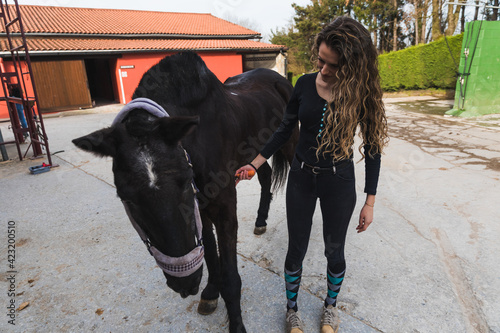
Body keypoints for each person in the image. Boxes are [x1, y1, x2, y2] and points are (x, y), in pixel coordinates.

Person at [235, 16, 388, 333]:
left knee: (335, 251)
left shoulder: (362, 93)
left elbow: (373, 147)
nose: (324, 70)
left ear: (351, 66)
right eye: (321, 60)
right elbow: (284, 129)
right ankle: (292, 311)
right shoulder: (304, 84)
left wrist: (369, 201)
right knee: (296, 250)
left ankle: (330, 308)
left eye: (333, 65)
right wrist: (256, 162)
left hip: (339, 182)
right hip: (302, 178)